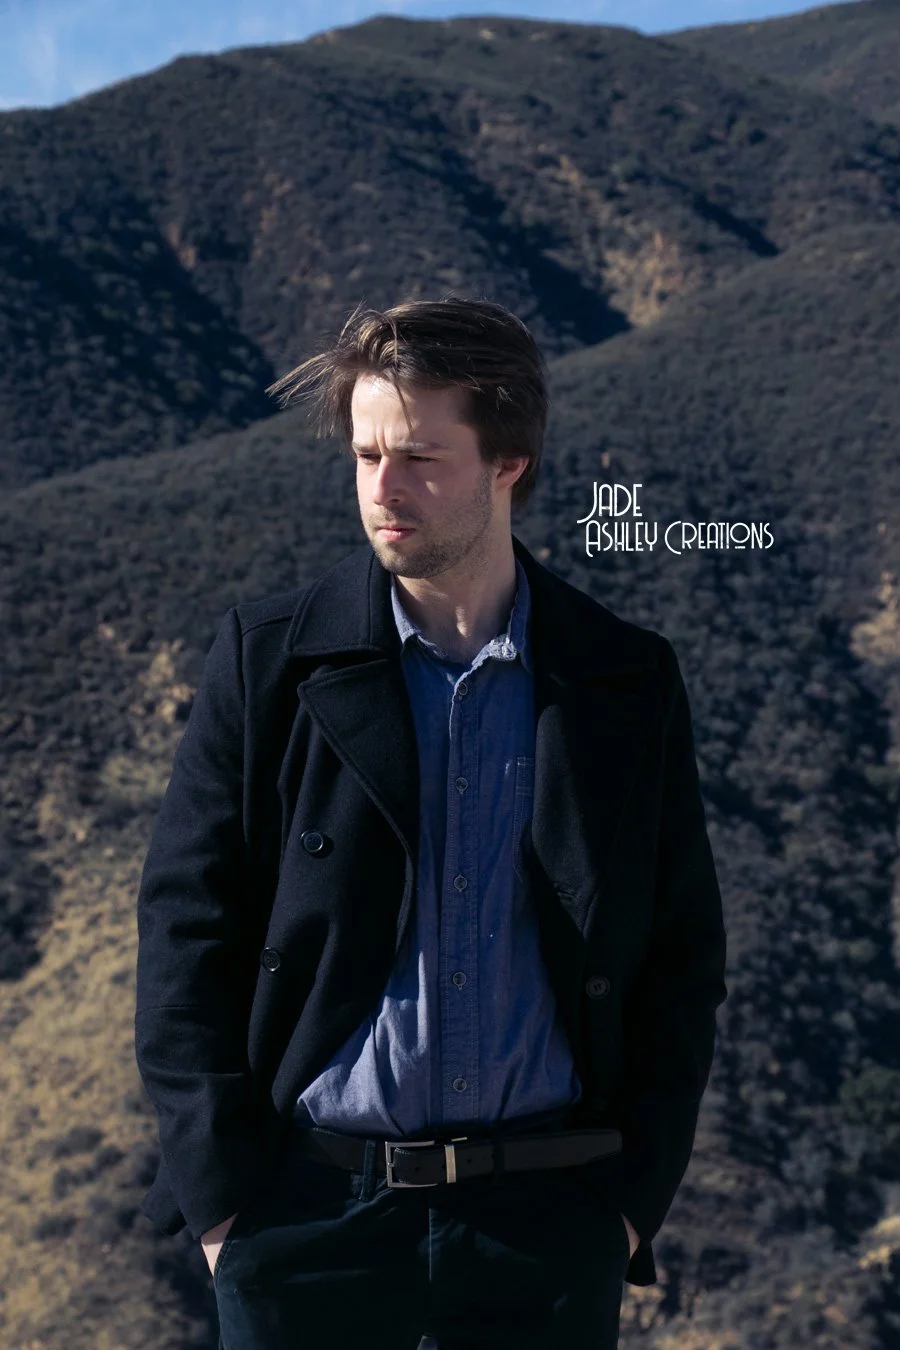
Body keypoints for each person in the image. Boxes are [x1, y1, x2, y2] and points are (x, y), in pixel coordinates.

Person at [134, 295, 727, 1350]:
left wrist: (628, 1204)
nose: (383, 491)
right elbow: (186, 931)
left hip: (546, 1229)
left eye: (418, 458)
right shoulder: (269, 661)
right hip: (307, 1218)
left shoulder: (622, 680)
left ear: (510, 462)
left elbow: (683, 954)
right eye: (365, 456)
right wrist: (228, 1208)